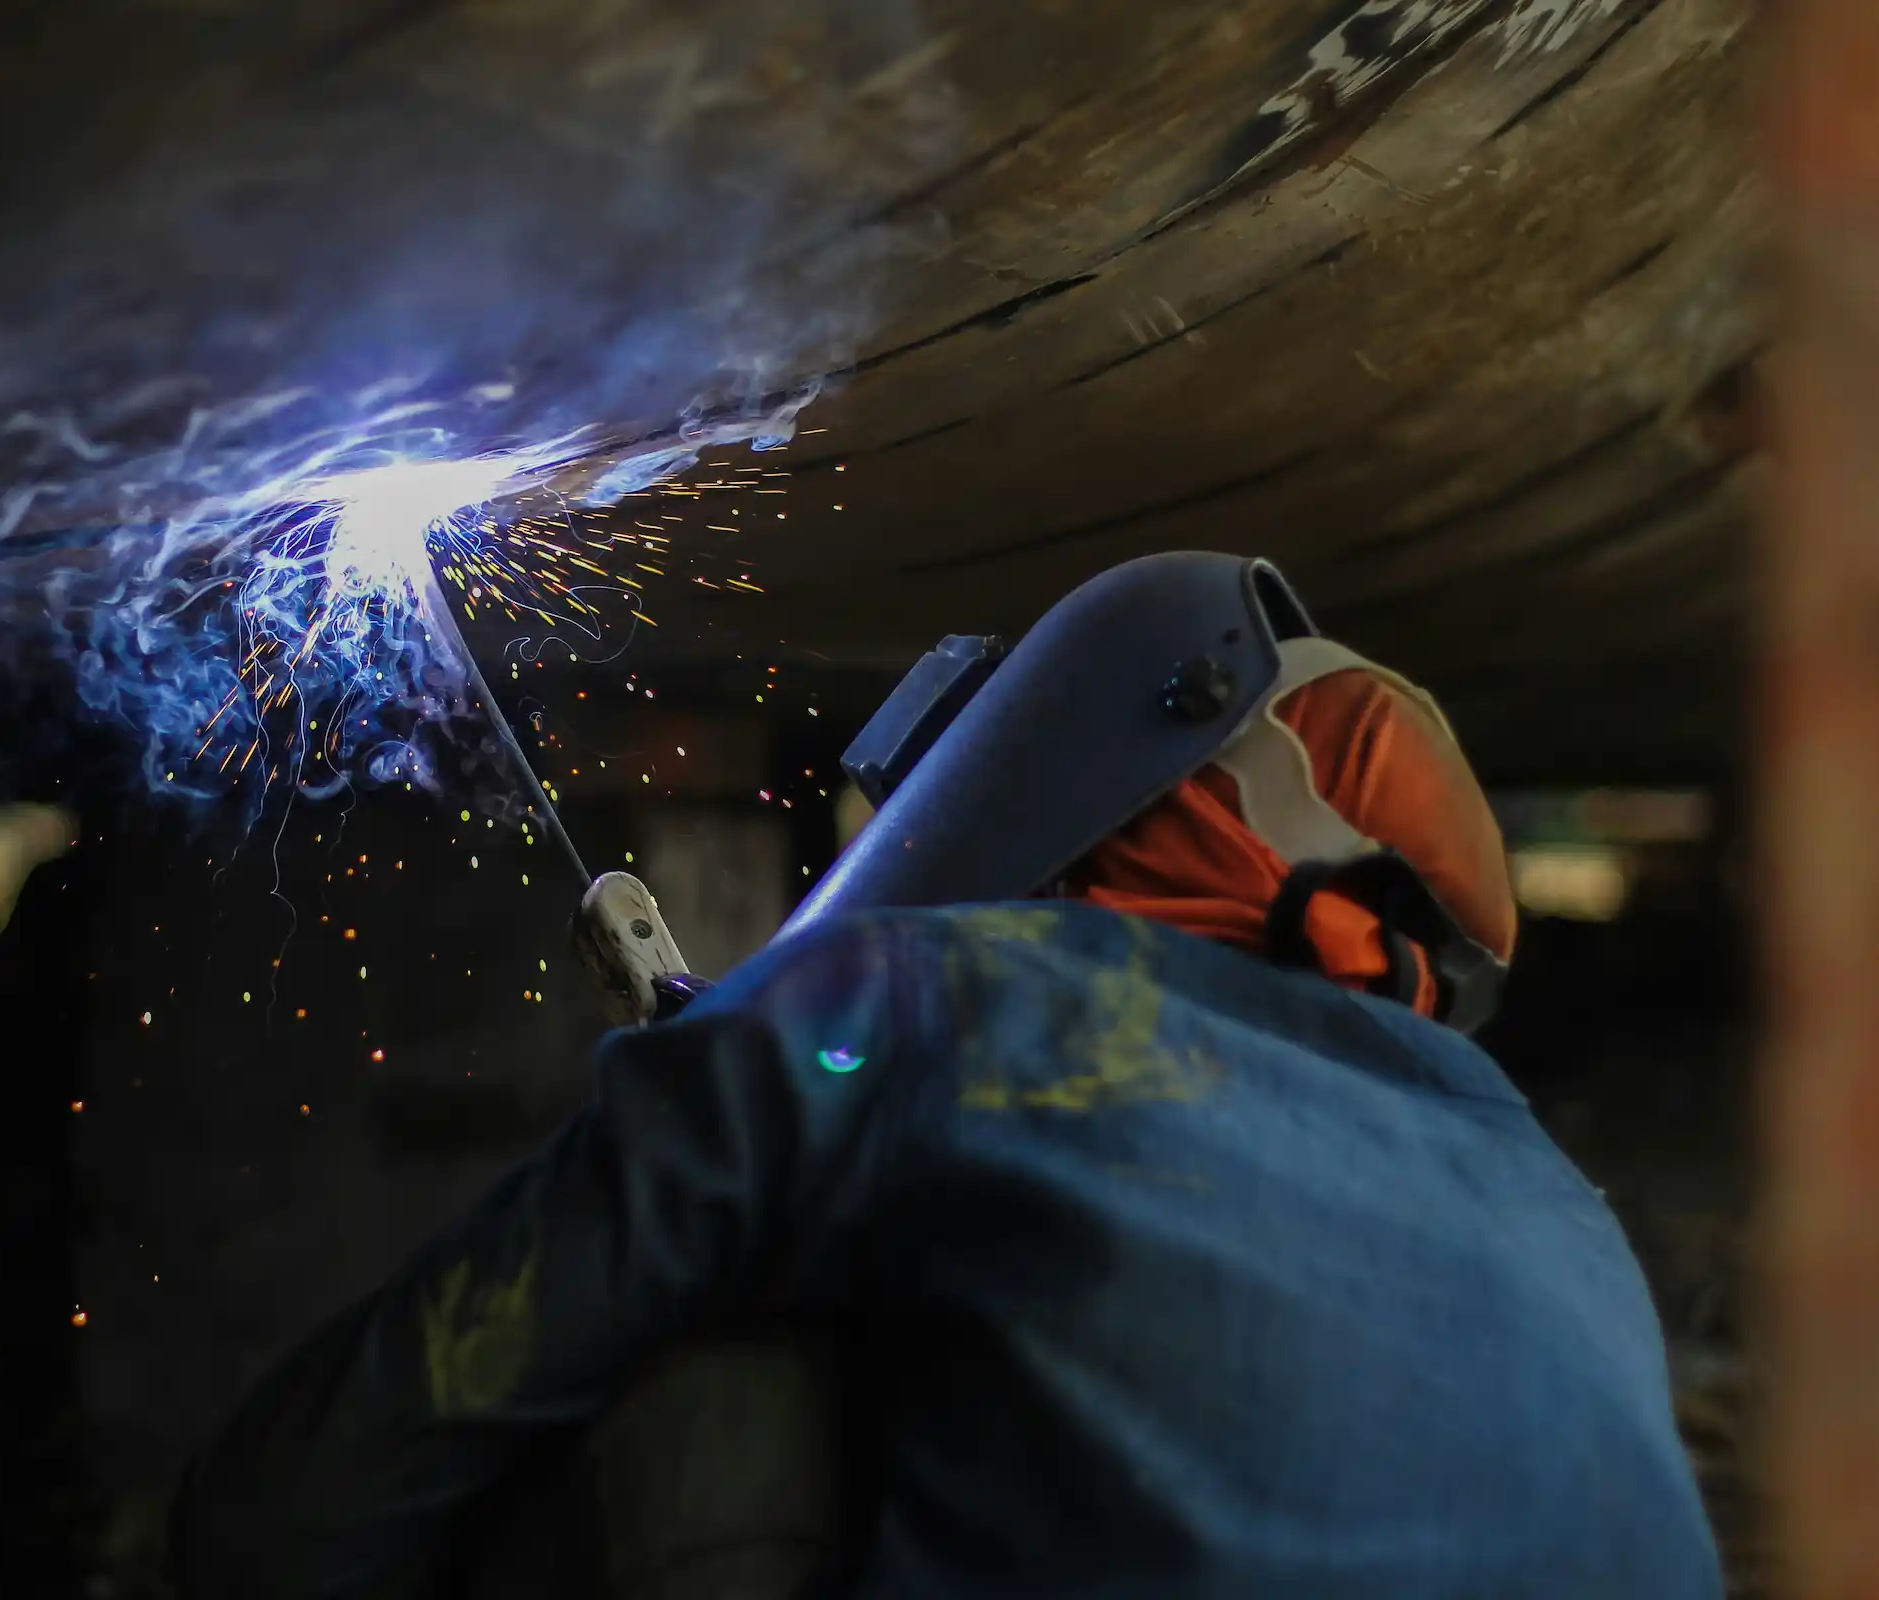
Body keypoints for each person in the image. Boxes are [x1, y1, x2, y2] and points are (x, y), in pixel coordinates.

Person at [175, 553, 1722, 1598]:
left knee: (707, 1404)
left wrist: (777, 1076)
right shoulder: (1557, 1211)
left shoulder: (932, 1001)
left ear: (1106, 772)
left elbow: (287, 1506)